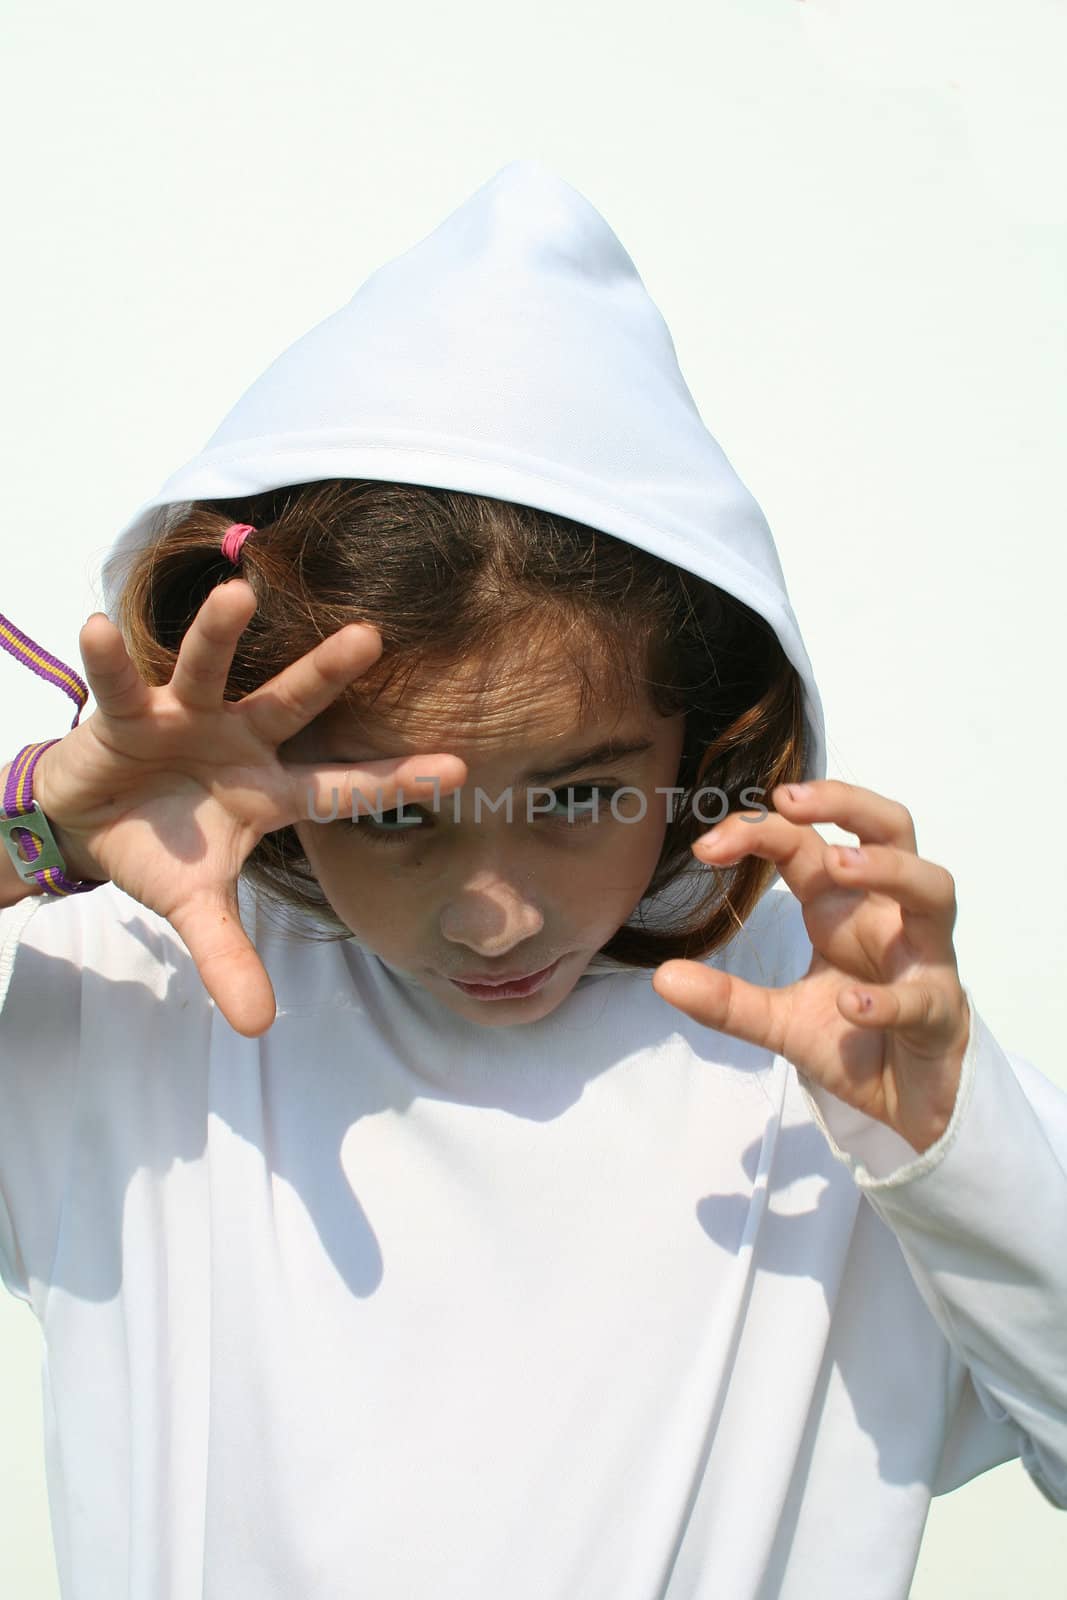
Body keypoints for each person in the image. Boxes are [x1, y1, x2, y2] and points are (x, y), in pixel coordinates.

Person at [0, 159, 1063, 1600]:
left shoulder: (836, 1072)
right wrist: (30, 840)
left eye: (576, 794)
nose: (492, 909)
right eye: (388, 817)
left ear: (714, 726)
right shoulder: (135, 999)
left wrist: (955, 1149)